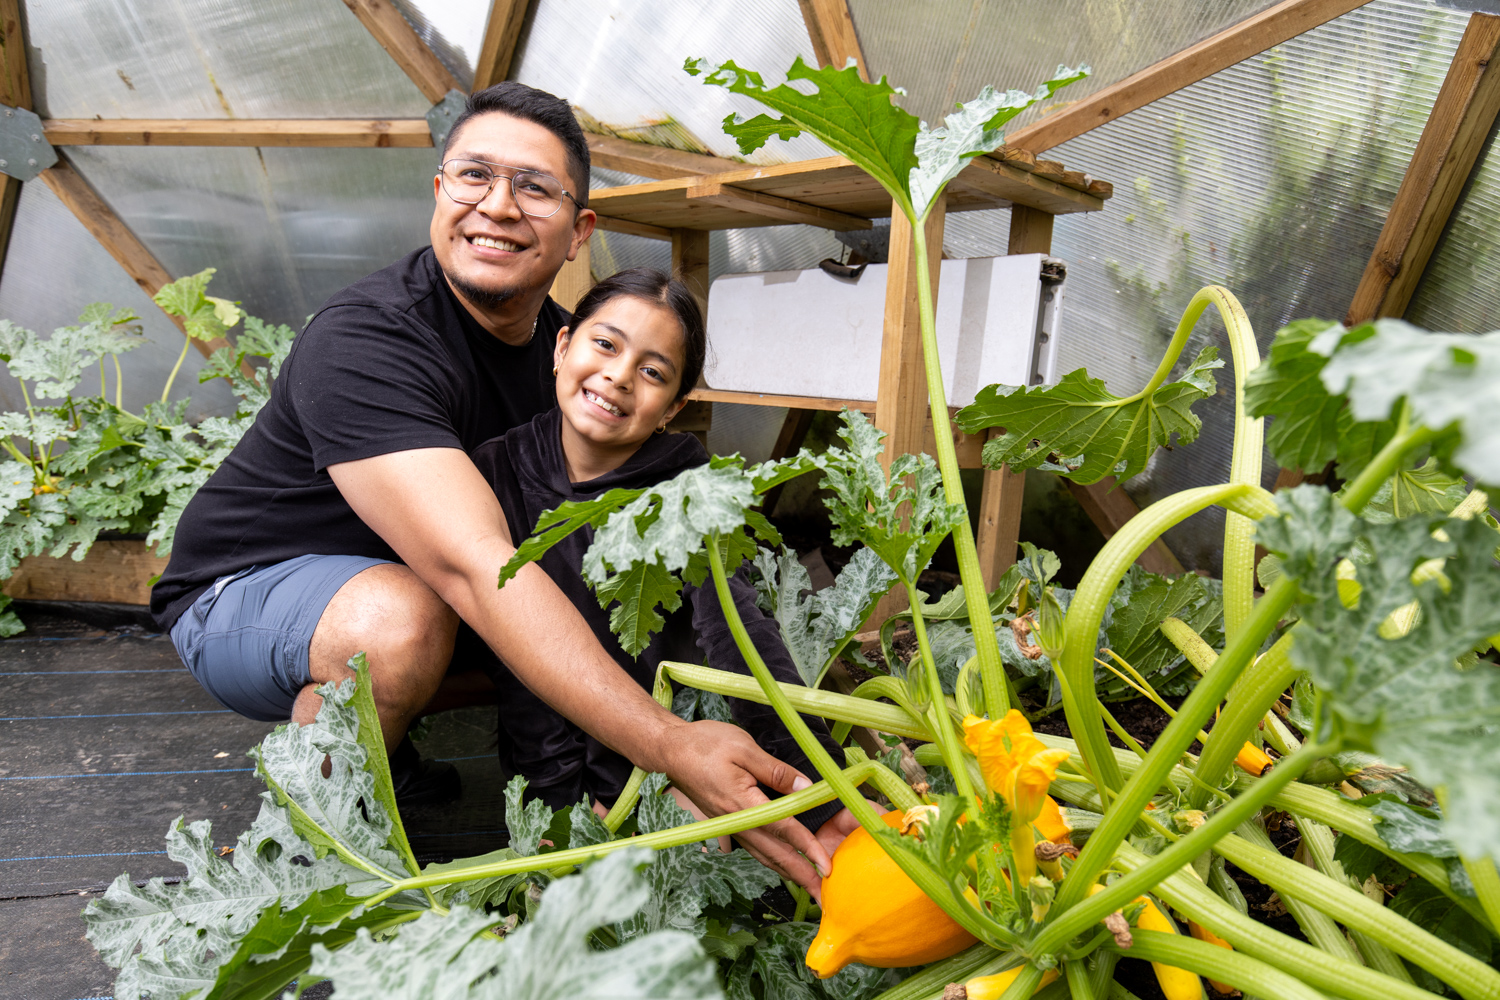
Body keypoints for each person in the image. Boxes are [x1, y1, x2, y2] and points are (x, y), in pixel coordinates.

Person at [150, 81, 852, 896]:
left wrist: (816, 757)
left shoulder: (566, 361)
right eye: (475, 175)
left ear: (578, 231)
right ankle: (319, 847)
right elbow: (475, 569)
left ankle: (395, 753)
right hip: (247, 592)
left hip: (435, 589)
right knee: (401, 624)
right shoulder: (368, 339)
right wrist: (664, 744)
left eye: (535, 188)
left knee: (586, 597)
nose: (499, 205)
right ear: (440, 191)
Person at [473, 267, 842, 839]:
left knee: (714, 843)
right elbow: (516, 663)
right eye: (604, 344)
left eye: (652, 372)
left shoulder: (690, 486)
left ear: (672, 407)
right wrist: (564, 803)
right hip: (556, 762)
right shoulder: (494, 470)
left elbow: (737, 632)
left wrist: (824, 793)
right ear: (562, 346)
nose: (619, 377)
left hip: (678, 745)